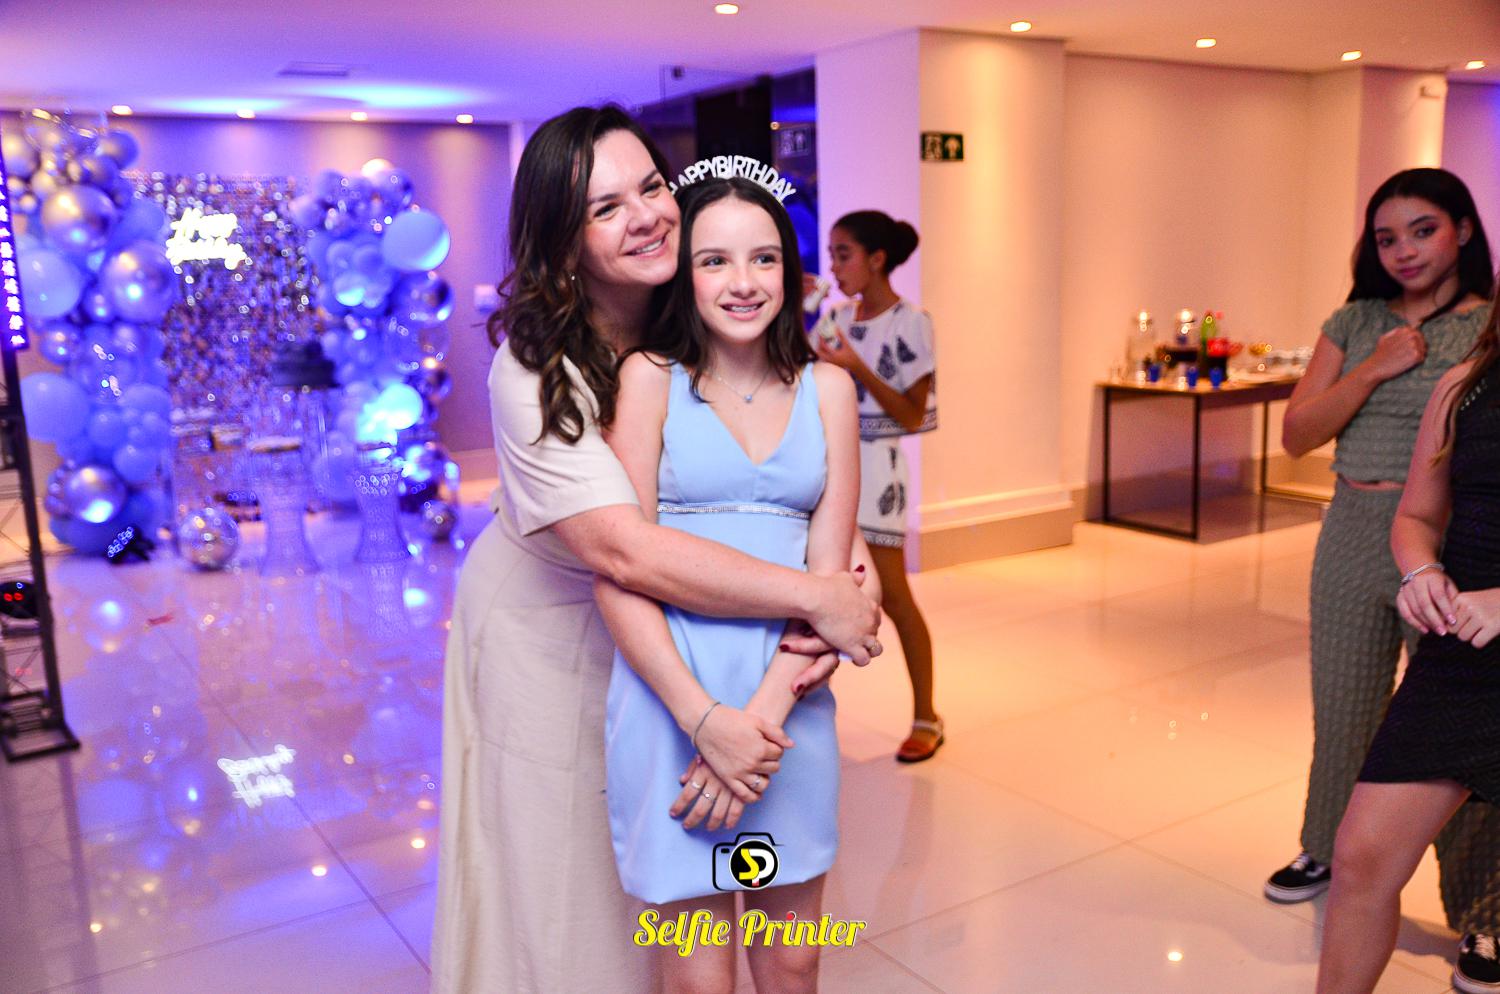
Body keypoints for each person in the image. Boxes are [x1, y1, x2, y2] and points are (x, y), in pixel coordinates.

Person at [430, 106, 881, 994]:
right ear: (563, 242)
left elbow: (797, 496)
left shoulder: (698, 320)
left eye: (650, 186)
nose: (644, 216)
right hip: (552, 629)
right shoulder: (536, 367)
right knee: (566, 881)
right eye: (605, 208)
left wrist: (838, 583)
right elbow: (622, 552)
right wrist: (810, 603)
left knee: (736, 910)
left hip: (707, 634)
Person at [596, 174, 858, 994]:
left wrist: (754, 732)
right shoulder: (647, 378)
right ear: (685, 274)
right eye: (714, 260)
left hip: (785, 713)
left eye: (763, 258)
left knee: (792, 960)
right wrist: (702, 724)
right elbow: (620, 568)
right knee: (697, 977)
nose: (742, 282)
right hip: (672, 706)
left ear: (791, 271)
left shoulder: (830, 390)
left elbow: (832, 585)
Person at [1271, 167, 1500, 989]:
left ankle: (1483, 913)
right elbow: (1297, 433)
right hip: (1357, 528)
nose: (1404, 250)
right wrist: (1371, 367)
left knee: (1462, 746)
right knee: (1344, 709)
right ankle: (1327, 848)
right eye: (1387, 237)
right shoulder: (1356, 321)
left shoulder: (1486, 327)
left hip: (1456, 545)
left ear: (1463, 230)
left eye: (1423, 230)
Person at [1317, 301, 1500, 993]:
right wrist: (1421, 571)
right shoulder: (1464, 385)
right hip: (1465, 654)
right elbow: (1417, 515)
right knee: (1362, 859)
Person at [811, 210, 942, 762]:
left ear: (877, 259)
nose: (835, 266)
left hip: (879, 470)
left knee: (893, 599)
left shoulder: (912, 323)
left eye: (844, 254)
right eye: (832, 254)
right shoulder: (833, 318)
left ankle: (926, 714)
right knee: (819, 591)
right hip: (829, 469)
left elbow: (911, 415)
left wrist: (856, 366)